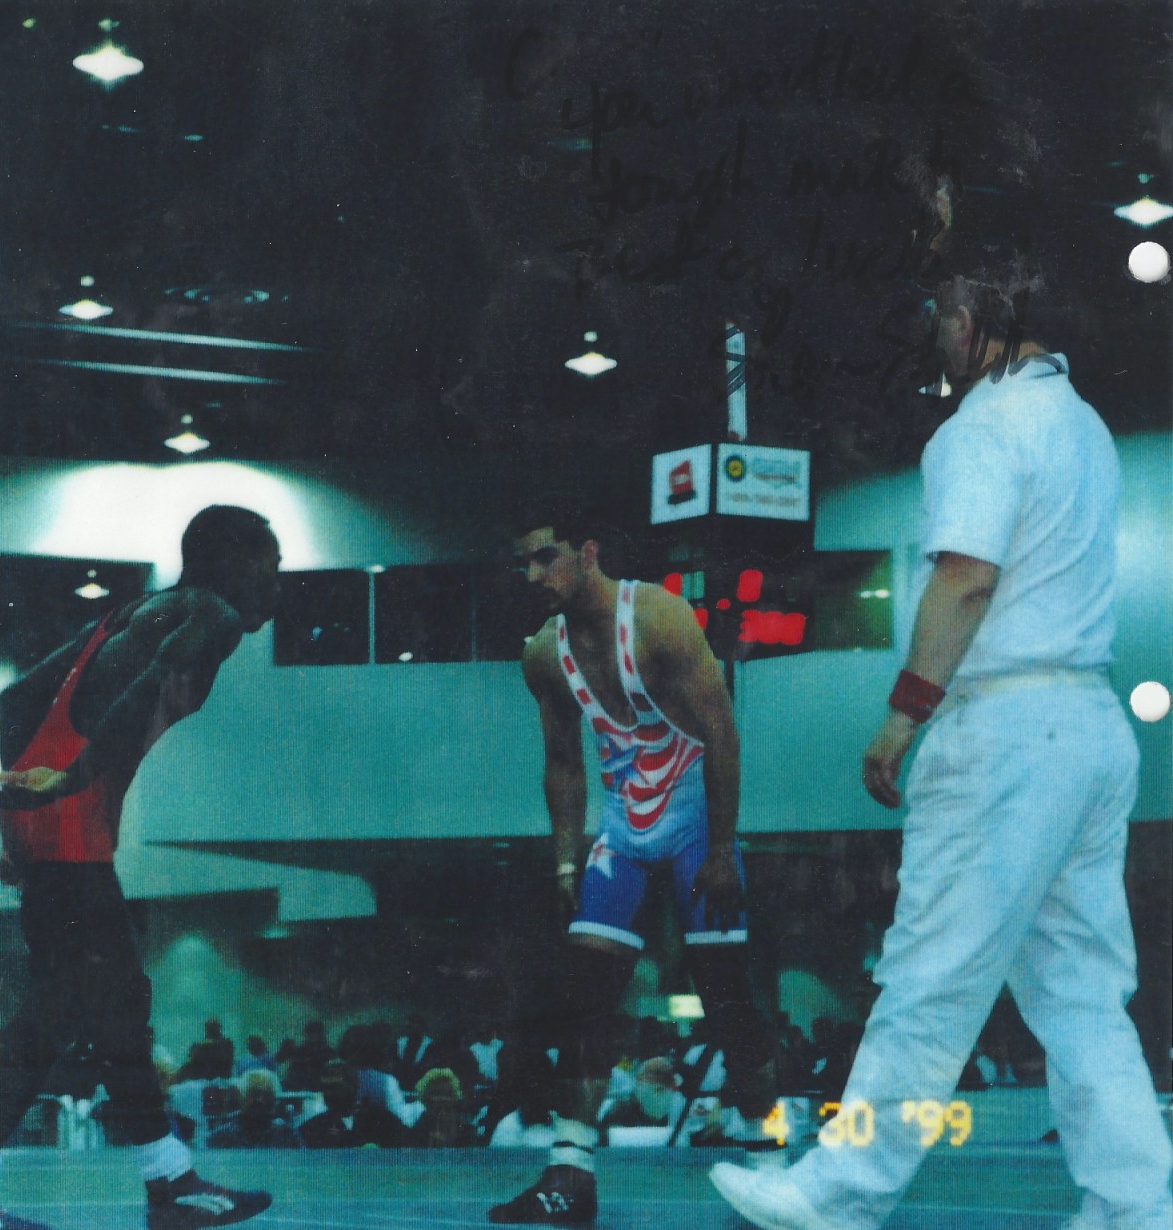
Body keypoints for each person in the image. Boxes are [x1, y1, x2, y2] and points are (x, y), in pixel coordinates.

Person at [710, 268, 1173, 1230]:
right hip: (1089, 725)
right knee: (1083, 992)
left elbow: (965, 578)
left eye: (945, 317)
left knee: (929, 973)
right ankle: (1134, 1205)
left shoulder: (981, 428)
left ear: (974, 321)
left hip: (1003, 731)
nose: (938, 335)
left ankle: (841, 1193)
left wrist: (903, 715)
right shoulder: (1085, 426)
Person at [0, 505, 281, 1230]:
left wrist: (22, 816)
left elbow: (14, 700)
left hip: (50, 812)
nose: (277, 584)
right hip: (70, 814)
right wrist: (69, 781)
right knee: (64, 1009)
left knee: (114, 1007)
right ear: (235, 563)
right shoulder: (213, 615)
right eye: (271, 566)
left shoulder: (127, 613)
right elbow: (148, 687)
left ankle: (168, 1182)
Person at [489, 501, 779, 1225]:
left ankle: (770, 1162)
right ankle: (570, 1174)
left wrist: (721, 847)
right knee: (585, 997)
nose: (534, 575)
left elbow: (722, 733)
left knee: (728, 997)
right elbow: (562, 763)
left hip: (694, 823)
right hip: (624, 830)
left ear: (587, 552)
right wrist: (566, 863)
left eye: (546, 557)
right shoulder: (542, 654)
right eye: (523, 564)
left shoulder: (656, 617)